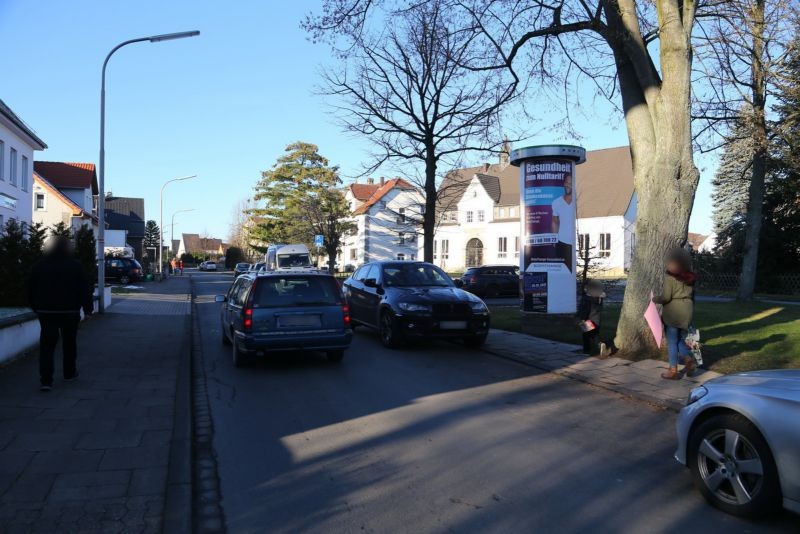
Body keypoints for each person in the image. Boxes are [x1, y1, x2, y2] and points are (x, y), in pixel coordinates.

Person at [28, 236, 93, 391]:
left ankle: (46, 380)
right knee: (69, 343)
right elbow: (85, 289)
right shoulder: (76, 266)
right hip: (69, 311)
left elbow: (30, 288)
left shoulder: (39, 266)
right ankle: (69, 373)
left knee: (47, 346)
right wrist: (88, 309)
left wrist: (35, 307)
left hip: (46, 312)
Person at [654, 248, 697, 380]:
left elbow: (666, 297)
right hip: (687, 310)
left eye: (670, 263)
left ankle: (673, 370)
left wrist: (655, 299)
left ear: (678, 264)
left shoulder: (670, 279)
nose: (668, 265)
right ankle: (689, 358)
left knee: (672, 342)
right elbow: (693, 296)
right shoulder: (691, 278)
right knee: (679, 340)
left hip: (674, 312)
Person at [550, 174, 575, 272]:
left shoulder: (577, 201)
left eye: (570, 183)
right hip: (562, 243)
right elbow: (555, 222)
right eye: (566, 182)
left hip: (574, 244)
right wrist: (554, 239)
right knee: (562, 270)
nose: (568, 185)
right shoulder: (556, 203)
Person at [578, 280, 607, 356]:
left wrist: (582, 319)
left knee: (586, 335)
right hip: (597, 319)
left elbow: (585, 310)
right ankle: (600, 345)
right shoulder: (599, 298)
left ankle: (586, 351)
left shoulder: (586, 299)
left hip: (588, 319)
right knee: (595, 334)